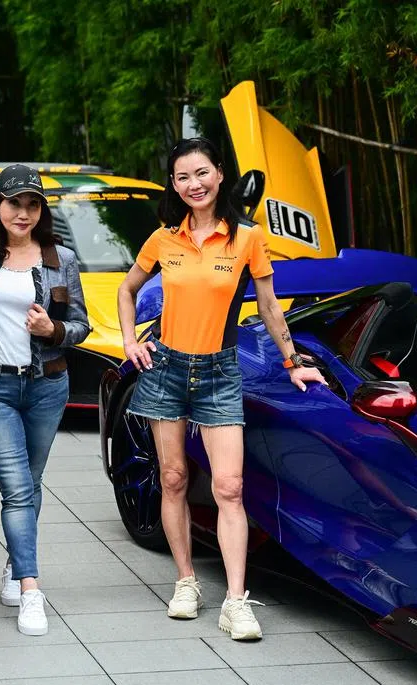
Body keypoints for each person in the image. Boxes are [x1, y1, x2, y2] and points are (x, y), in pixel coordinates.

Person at [116, 137, 326, 641]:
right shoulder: (163, 238)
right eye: (183, 176)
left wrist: (293, 361)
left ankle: (236, 600)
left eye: (202, 173)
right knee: (171, 478)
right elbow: (127, 290)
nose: (194, 184)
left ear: (220, 175)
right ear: (174, 183)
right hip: (166, 368)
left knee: (229, 486)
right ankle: (186, 581)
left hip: (218, 372)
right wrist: (129, 341)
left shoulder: (247, 238)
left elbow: (271, 306)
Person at [0, 164, 90, 636]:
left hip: (48, 385)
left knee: (30, 483)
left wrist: (52, 329)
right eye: (14, 203)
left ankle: (15, 564)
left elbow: (81, 325)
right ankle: (31, 590)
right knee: (16, 488)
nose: (24, 213)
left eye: (33, 205)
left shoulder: (61, 259)